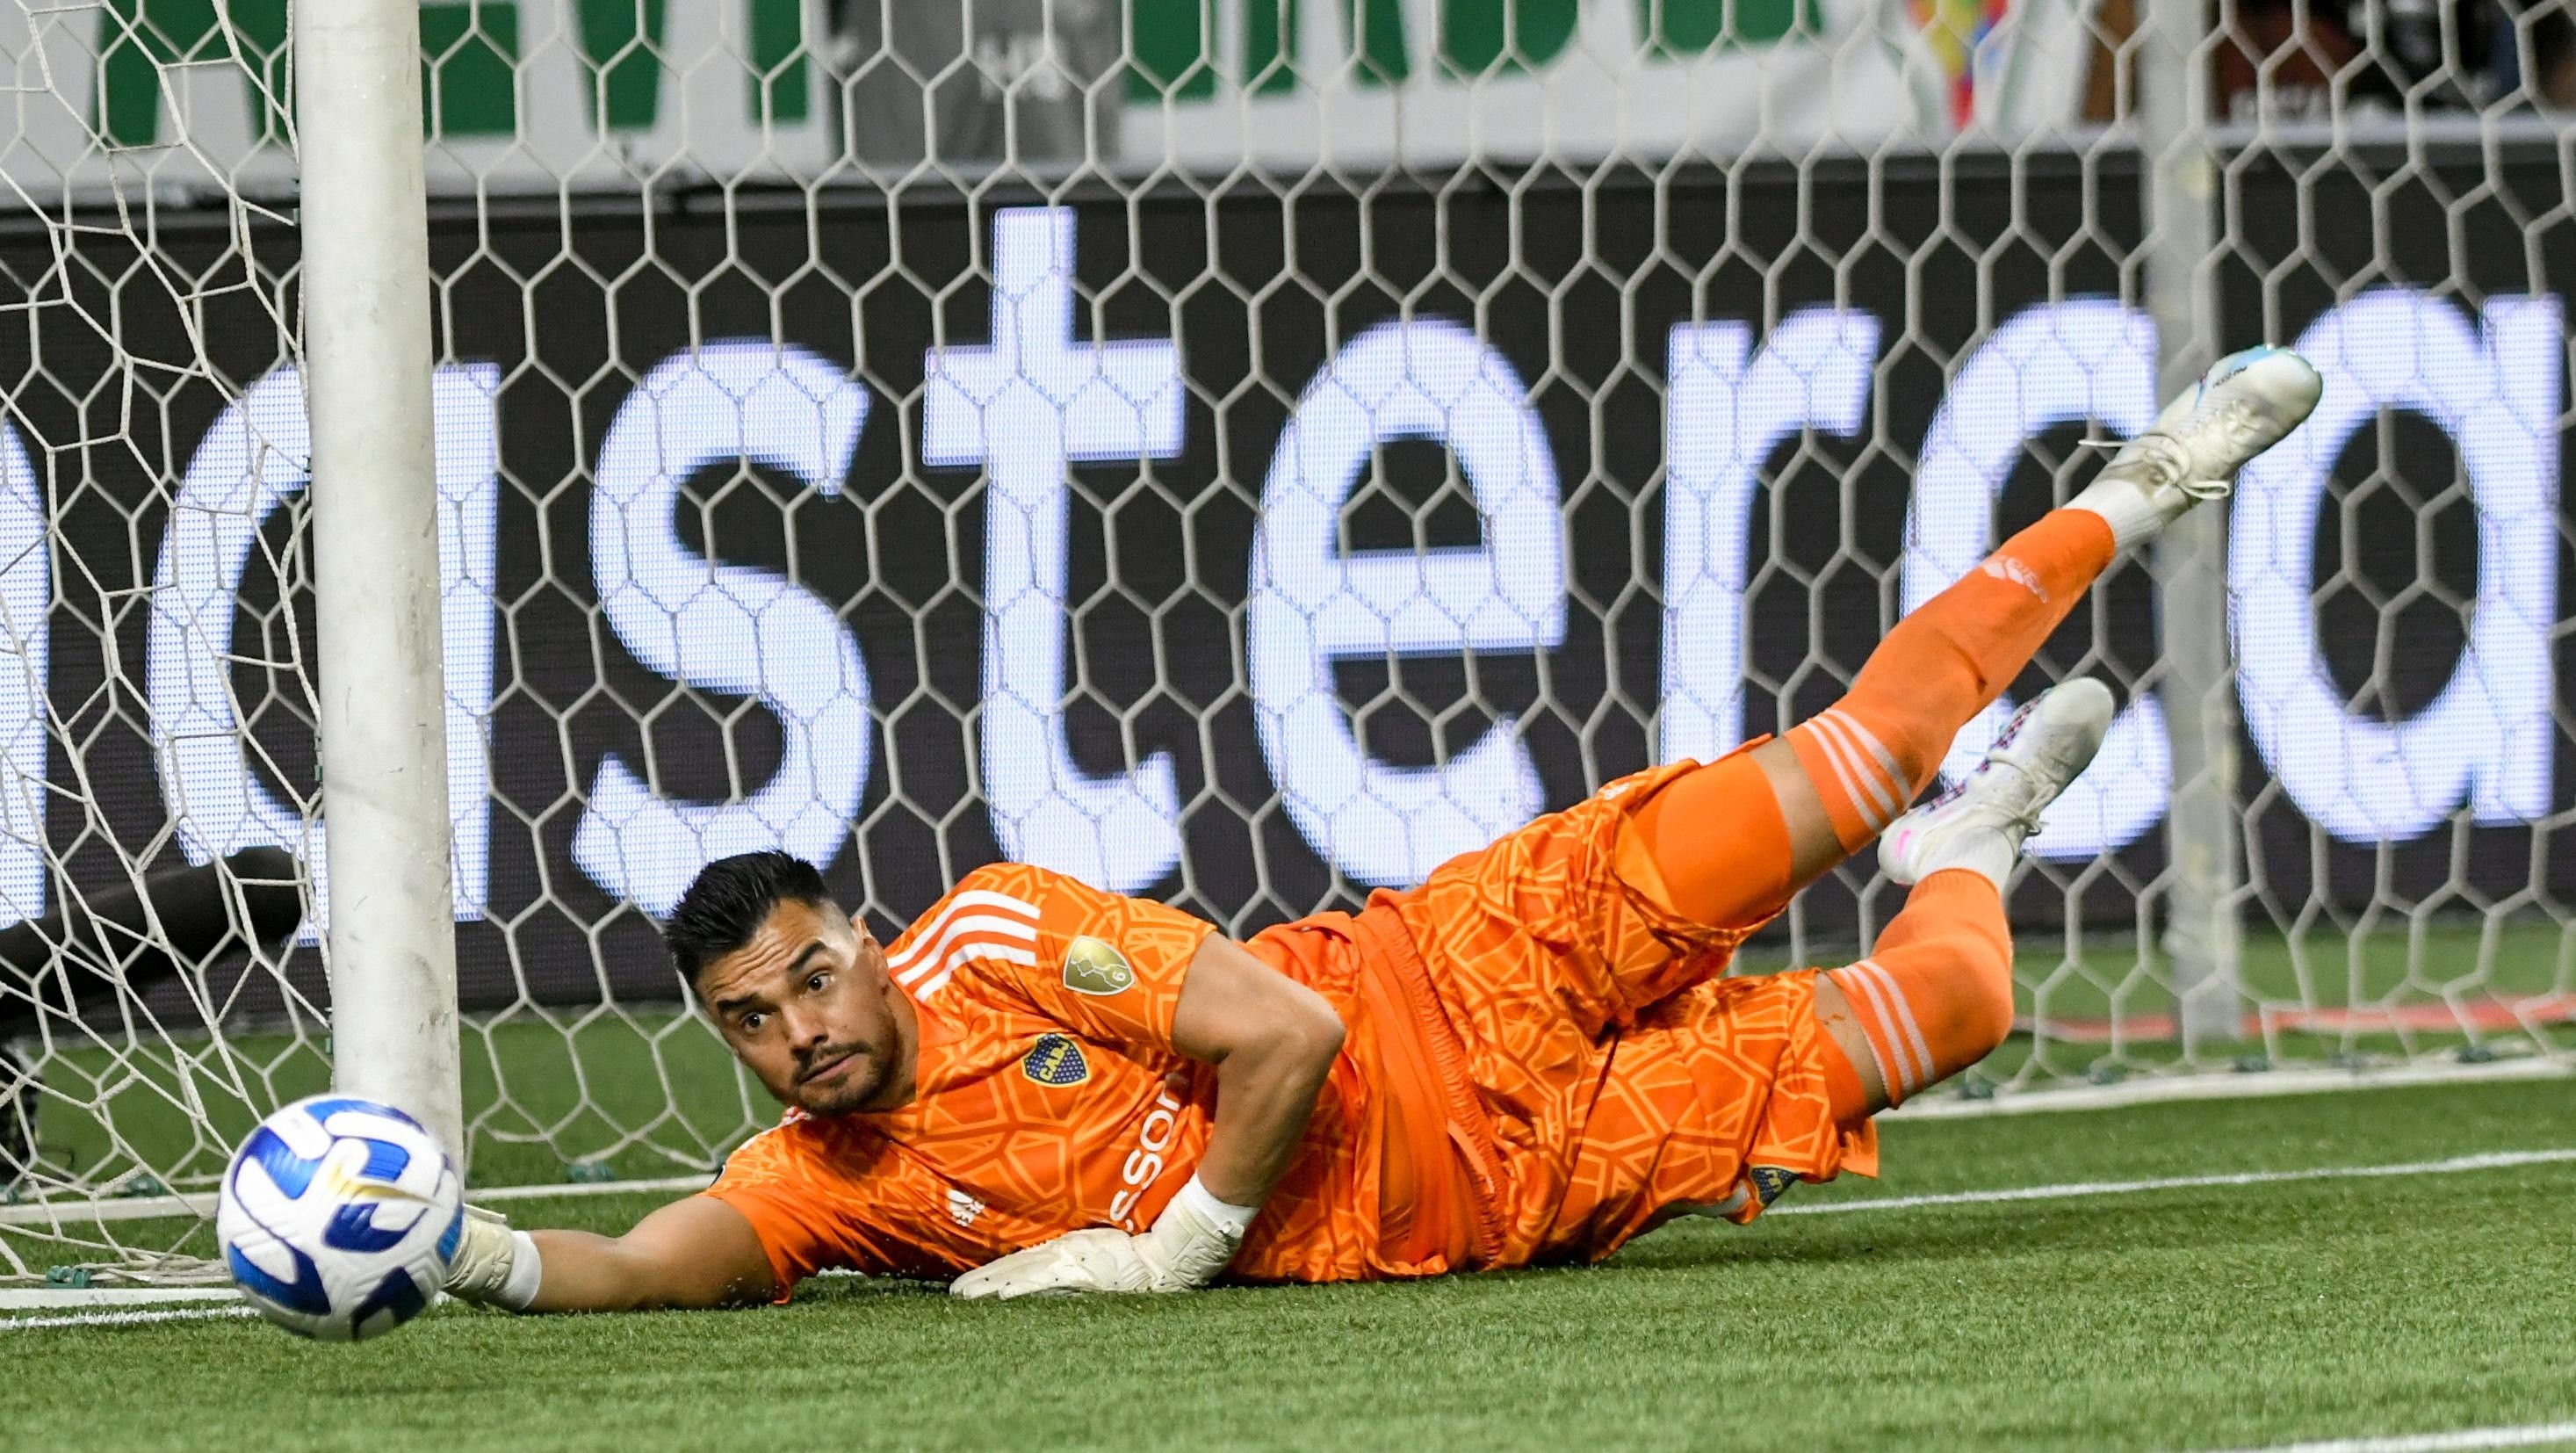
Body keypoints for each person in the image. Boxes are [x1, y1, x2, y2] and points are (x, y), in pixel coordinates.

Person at [441, 347, 2323, 1311]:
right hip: (1486, 1192)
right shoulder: (822, 1173)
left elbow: (1291, 1032)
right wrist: (461, 1255)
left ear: (856, 930)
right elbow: (650, 1261)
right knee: (1948, 1016)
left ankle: (2153, 482)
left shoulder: (1006, 930)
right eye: (754, 1022)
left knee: (1851, 758)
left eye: (810, 979)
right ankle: (1983, 846)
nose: (802, 1032)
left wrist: (1169, 1246)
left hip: (1458, 957)